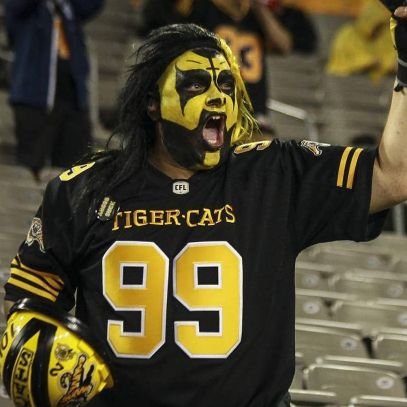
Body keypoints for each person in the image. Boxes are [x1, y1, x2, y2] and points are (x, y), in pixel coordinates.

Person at [1, 2, 407, 404]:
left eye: (226, 85)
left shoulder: (275, 175)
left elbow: (395, 176)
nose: (218, 98)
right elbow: (29, 303)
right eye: (195, 84)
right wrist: (36, 354)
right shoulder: (84, 190)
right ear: (152, 104)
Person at [138, 0, 318, 138]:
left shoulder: (256, 15)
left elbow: (284, 45)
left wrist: (259, 8)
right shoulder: (202, 8)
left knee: (266, 158)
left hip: (252, 112)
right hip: (211, 107)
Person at [4, 0, 105, 182]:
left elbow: (92, 5)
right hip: (35, 98)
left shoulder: (68, 10)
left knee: (75, 166)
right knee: (31, 164)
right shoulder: (30, 13)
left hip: (72, 98)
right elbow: (17, 7)